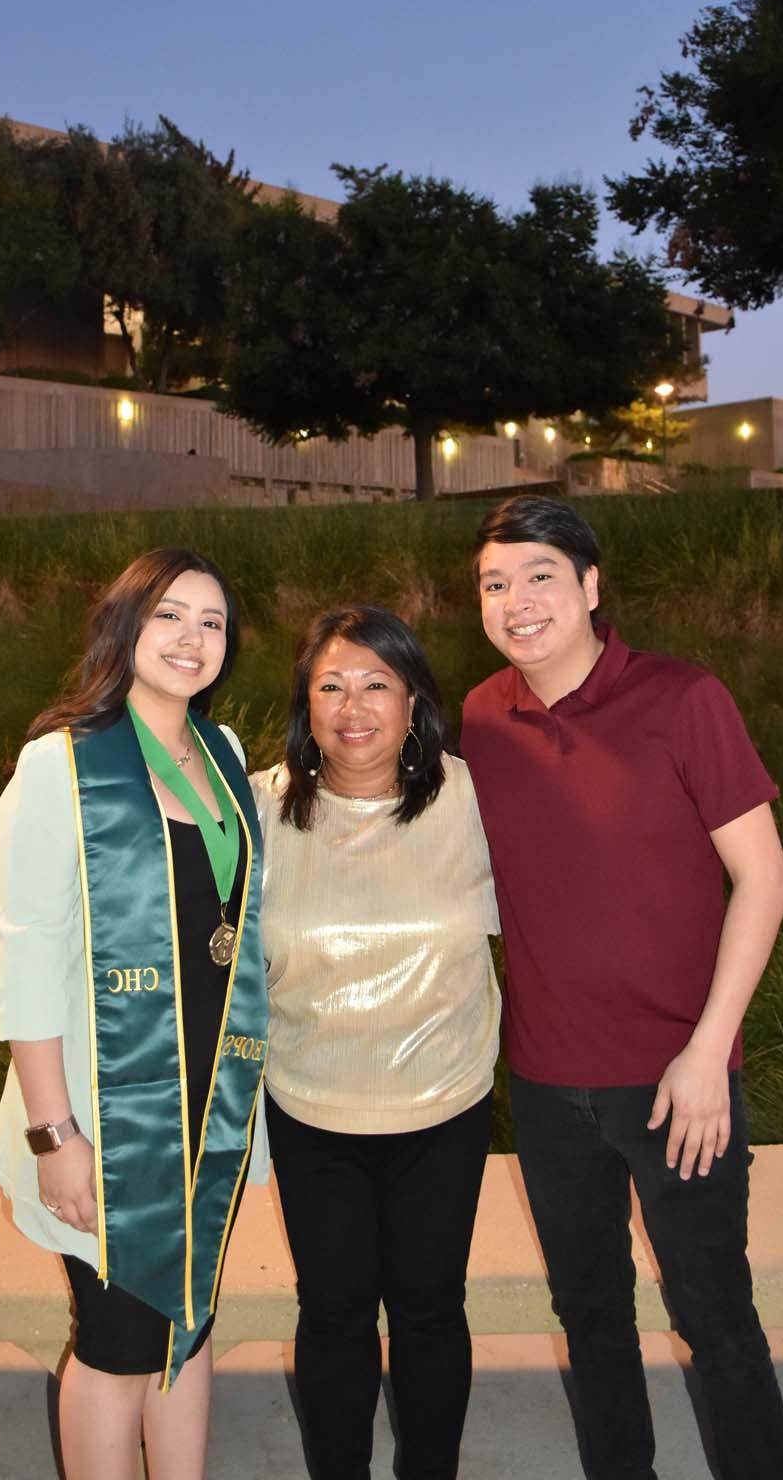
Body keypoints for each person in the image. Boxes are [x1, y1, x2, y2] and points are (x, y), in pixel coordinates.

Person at [461, 495, 783, 1480]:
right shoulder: (483, 715)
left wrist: (708, 1050)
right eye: (494, 583)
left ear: (590, 587)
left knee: (714, 1316)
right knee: (592, 1318)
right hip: (547, 1083)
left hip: (677, 1080)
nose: (517, 601)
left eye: (539, 578)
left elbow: (765, 878)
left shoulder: (684, 698)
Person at [0, 547, 267, 1480]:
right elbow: (25, 956)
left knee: (188, 1319)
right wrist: (53, 1130)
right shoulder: (59, 766)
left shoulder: (222, 756)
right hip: (101, 1107)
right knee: (114, 1340)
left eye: (213, 622)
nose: (192, 639)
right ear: (126, 626)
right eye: (170, 616)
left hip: (203, 1097)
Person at [251, 604, 500, 1480]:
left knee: (431, 1309)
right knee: (335, 1312)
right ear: (306, 705)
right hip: (312, 1109)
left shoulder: (474, 797)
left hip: (446, 1106)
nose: (353, 706)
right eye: (330, 685)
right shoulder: (258, 808)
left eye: (376, 684)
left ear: (413, 702)